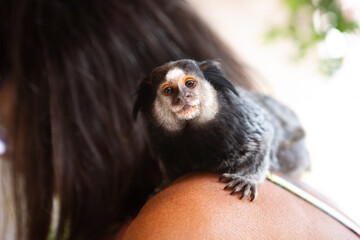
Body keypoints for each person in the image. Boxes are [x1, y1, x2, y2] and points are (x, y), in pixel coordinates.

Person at [0, 0, 359, 240]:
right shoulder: (293, 196)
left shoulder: (185, 218)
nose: (11, 156)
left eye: (11, 135)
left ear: (87, 123)